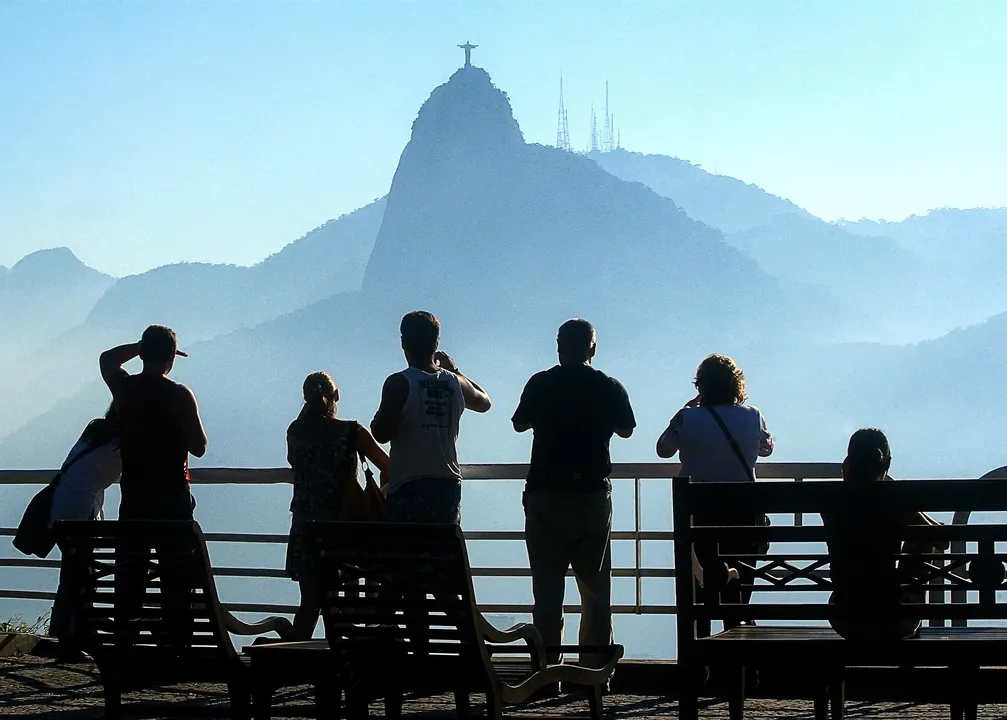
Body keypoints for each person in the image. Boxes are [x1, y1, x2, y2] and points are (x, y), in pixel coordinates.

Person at [511, 318, 636, 667]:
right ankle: (595, 672)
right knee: (596, 593)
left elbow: (520, 422)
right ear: (592, 348)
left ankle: (546, 671)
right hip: (593, 497)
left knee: (547, 593)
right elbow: (626, 429)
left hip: (546, 495)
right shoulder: (608, 386)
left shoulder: (541, 383)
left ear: (559, 346)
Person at [655, 353, 774, 635]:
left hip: (700, 520)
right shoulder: (753, 416)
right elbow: (766, 448)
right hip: (744, 517)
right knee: (739, 587)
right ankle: (738, 632)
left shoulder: (687, 418)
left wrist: (680, 415)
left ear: (701, 387)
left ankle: (704, 654)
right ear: (737, 386)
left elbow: (663, 449)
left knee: (703, 583)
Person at [285, 371, 390, 639]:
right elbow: (389, 465)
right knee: (351, 597)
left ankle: (298, 658)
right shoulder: (351, 432)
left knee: (310, 604)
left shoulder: (295, 432)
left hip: (305, 528)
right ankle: (349, 656)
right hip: (343, 530)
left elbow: (294, 464)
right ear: (336, 396)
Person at [823, 428, 947, 641]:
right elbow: (942, 541)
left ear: (848, 462)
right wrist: (898, 493)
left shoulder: (830, 502)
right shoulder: (893, 502)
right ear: (886, 465)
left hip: (844, 618)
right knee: (921, 537)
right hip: (892, 620)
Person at [371, 311, 491, 524]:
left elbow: (381, 433)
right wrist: (456, 371)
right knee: (441, 551)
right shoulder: (455, 383)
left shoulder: (399, 383)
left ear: (403, 342)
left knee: (407, 551)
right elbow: (484, 402)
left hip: (409, 484)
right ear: (436, 343)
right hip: (447, 484)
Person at [100, 325, 207, 520]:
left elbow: (107, 359)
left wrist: (140, 346)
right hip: (173, 500)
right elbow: (199, 448)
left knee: (133, 551)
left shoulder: (124, 389)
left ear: (142, 354)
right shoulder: (180, 395)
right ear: (172, 356)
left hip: (134, 499)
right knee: (176, 551)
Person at [48, 405, 121, 661]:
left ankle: (72, 636)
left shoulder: (96, 432)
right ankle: (73, 639)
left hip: (63, 506)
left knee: (75, 574)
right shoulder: (122, 442)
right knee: (80, 576)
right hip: (81, 511)